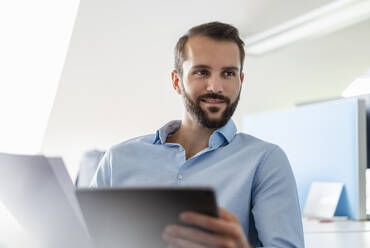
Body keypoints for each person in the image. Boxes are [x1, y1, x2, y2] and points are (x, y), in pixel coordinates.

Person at [91, 21, 304, 248]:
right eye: (202, 72)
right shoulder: (118, 160)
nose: (215, 86)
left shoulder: (265, 161)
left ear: (240, 82)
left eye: (228, 73)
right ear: (177, 81)